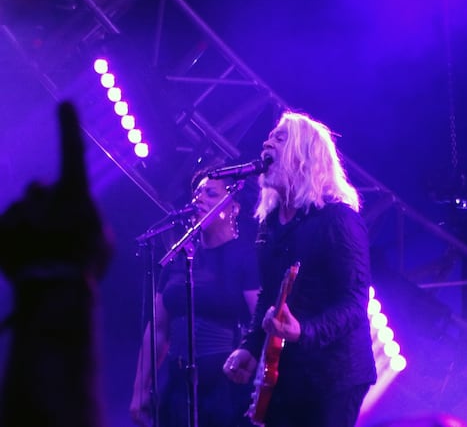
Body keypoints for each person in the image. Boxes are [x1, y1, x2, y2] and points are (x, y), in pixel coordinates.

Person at [223, 111, 377, 427]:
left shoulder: (339, 220)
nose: (267, 141)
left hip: (335, 374)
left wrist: (304, 331)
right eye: (269, 136)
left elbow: (354, 302)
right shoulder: (269, 223)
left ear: (305, 155)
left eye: (280, 137)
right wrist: (251, 348)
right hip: (288, 370)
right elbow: (269, 293)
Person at [0, 101, 113, 427]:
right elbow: (75, 174)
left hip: (47, 377)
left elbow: (74, 175)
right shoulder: (55, 244)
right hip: (58, 381)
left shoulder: (37, 239)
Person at [129, 172, 260, 427]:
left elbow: (260, 322)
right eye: (198, 193)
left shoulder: (245, 257)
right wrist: (139, 390)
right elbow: (157, 330)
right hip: (177, 386)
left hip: (225, 390)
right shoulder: (178, 255)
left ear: (234, 207)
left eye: (212, 193)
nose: (200, 198)